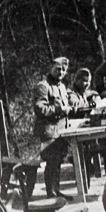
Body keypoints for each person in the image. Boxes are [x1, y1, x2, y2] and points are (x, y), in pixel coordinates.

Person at [33, 56, 72, 199]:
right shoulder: (43, 86)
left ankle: (57, 190)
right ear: (50, 69)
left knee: (59, 161)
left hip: (61, 130)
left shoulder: (61, 86)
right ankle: (51, 194)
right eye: (58, 69)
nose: (61, 72)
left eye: (63, 70)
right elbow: (40, 109)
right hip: (49, 130)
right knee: (51, 162)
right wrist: (59, 110)